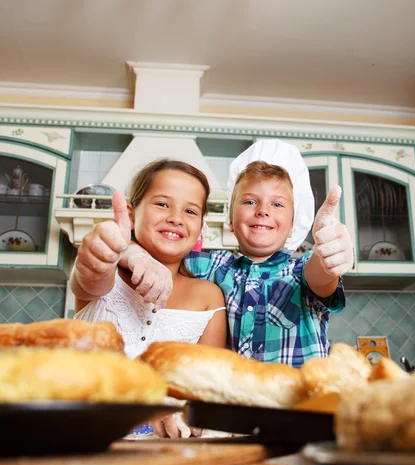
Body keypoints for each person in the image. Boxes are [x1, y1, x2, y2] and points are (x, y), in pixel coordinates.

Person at [119, 140, 354, 367]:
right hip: (229, 406)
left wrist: (326, 257)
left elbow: (320, 277)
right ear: (230, 219)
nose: (263, 211)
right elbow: (150, 246)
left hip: (298, 407)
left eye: (278, 204)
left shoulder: (301, 271)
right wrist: (135, 255)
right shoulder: (208, 267)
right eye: (250, 202)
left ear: (293, 224)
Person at [71, 159, 227, 438]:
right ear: (131, 215)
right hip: (84, 442)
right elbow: (90, 271)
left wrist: (186, 420)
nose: (176, 218)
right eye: (162, 204)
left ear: (200, 228)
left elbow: (206, 394)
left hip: (167, 454)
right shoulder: (105, 275)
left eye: (190, 210)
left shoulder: (208, 297)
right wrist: (108, 251)